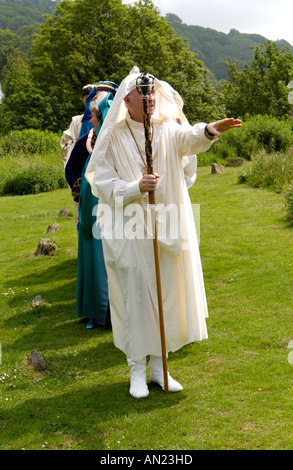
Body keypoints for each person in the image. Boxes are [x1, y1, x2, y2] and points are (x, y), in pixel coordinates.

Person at [85, 67, 241, 397]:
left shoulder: (167, 127)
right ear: (127, 100)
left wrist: (210, 130)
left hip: (168, 223)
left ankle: (160, 368)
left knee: (165, 294)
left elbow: (188, 140)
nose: (151, 99)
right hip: (129, 229)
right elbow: (101, 182)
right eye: (144, 95)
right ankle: (136, 371)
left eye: (153, 93)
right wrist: (135, 187)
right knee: (136, 297)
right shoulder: (112, 136)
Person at [66, 81, 118, 329]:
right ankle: (97, 310)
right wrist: (82, 193)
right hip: (89, 207)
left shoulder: (118, 143)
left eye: (95, 116)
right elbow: (72, 168)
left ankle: (108, 311)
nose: (91, 120)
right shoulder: (86, 139)